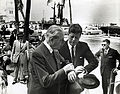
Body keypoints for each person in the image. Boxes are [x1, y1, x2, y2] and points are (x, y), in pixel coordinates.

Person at [28, 25, 74, 94]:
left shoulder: (54, 51)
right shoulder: (37, 54)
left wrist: (70, 71)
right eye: (61, 40)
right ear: (52, 39)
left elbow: (65, 62)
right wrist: (64, 70)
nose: (63, 43)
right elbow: (45, 81)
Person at [59, 24, 99, 93]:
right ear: (68, 34)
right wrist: (68, 72)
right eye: (72, 37)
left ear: (80, 36)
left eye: (76, 38)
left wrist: (84, 71)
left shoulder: (83, 46)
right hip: (63, 81)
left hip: (78, 82)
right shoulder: (60, 47)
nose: (74, 40)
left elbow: (94, 62)